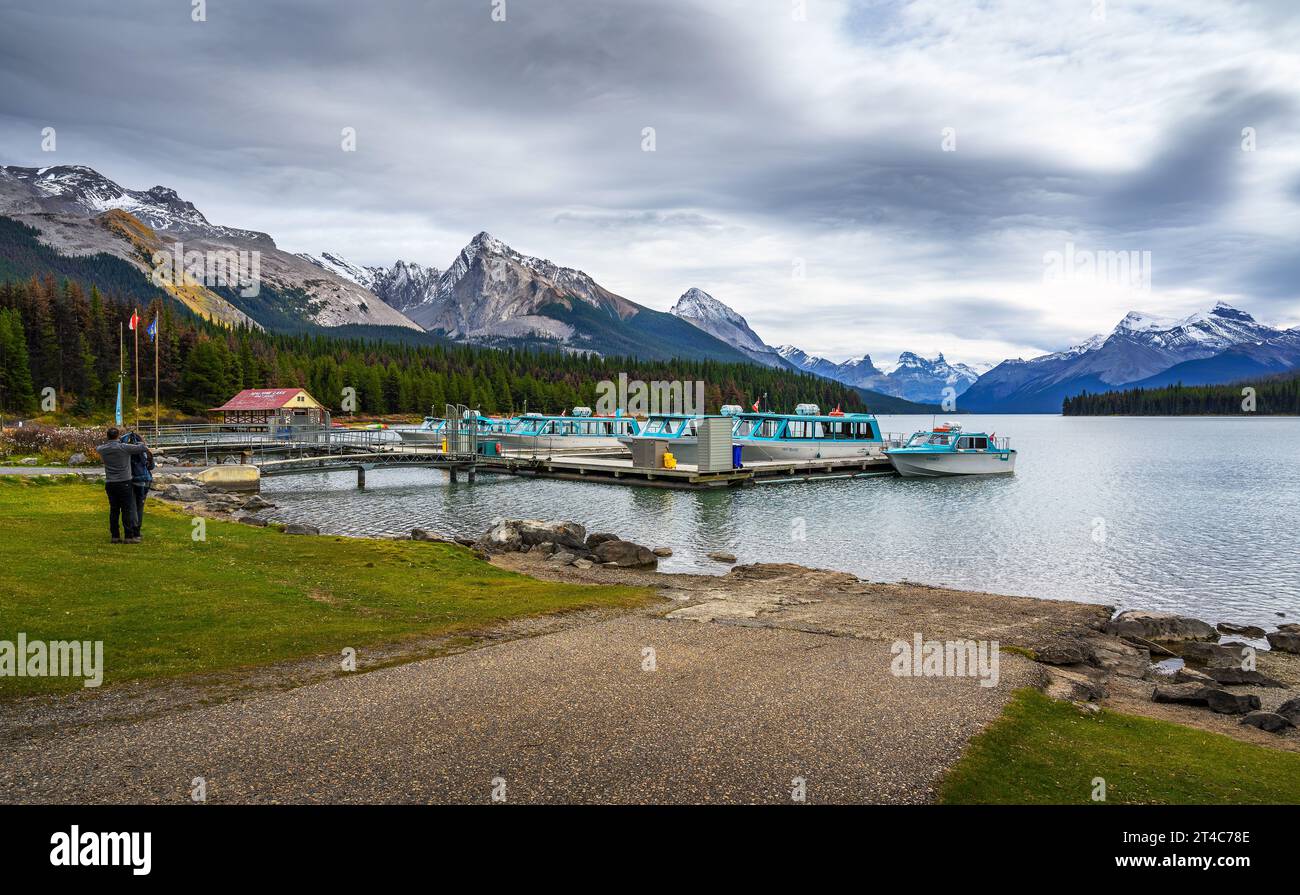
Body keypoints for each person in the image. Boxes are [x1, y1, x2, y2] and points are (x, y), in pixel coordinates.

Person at [96, 427, 150, 544]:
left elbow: (98, 448)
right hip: (125, 482)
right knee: (127, 510)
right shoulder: (124, 447)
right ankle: (128, 536)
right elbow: (143, 448)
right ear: (118, 436)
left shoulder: (102, 449)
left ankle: (115, 535)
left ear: (107, 436)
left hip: (110, 483)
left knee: (114, 510)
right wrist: (139, 441)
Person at [120, 430, 154, 539]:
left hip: (131, 481)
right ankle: (137, 531)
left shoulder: (126, 452)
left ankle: (134, 531)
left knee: (132, 507)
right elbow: (151, 466)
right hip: (145, 481)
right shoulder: (145, 451)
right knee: (140, 507)